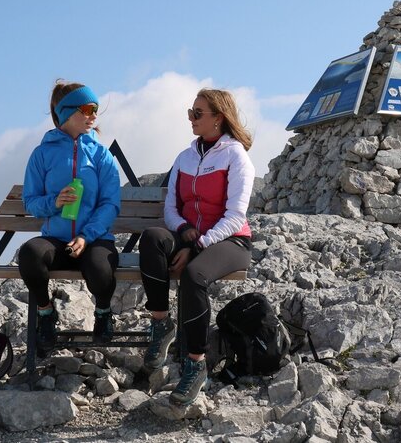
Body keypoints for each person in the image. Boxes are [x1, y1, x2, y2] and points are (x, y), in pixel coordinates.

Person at [139, 88, 255, 406]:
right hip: (190, 235)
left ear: (218, 118)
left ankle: (195, 365)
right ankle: (161, 325)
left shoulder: (236, 157)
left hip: (230, 240)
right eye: (190, 112)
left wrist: (199, 244)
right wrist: (185, 230)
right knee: (152, 238)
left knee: (193, 274)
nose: (191, 118)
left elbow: (235, 216)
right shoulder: (185, 157)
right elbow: (170, 209)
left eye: (198, 113)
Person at [18, 80, 121, 352]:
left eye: (95, 109)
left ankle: (102, 314)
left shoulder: (101, 155)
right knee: (29, 253)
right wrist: (55, 202)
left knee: (101, 270)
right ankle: (46, 312)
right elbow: (30, 201)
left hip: (94, 239)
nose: (93, 115)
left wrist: (86, 236)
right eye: (87, 108)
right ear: (66, 112)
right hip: (56, 238)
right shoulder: (42, 154)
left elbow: (110, 203)